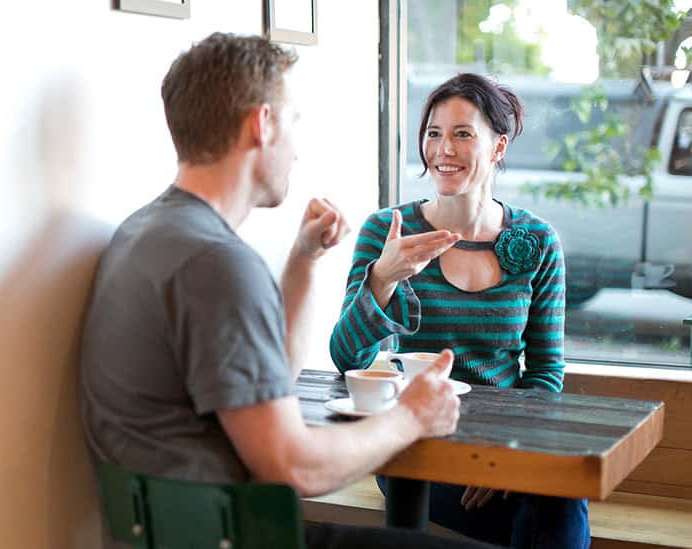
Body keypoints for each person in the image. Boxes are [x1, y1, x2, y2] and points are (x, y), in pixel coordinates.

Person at [79, 33, 494, 549]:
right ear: (262, 124)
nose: (297, 147)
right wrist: (411, 416)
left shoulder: (148, 233)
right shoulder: (216, 263)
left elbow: (273, 374)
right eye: (294, 121)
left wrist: (303, 260)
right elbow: (295, 468)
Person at [329, 72, 590, 548]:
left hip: (503, 446)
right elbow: (347, 359)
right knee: (543, 512)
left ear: (498, 147)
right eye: (434, 133)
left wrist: (507, 454)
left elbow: (546, 372)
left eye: (462, 134)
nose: (443, 149)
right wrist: (383, 278)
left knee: (556, 497)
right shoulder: (388, 231)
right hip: (414, 446)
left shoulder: (538, 242)